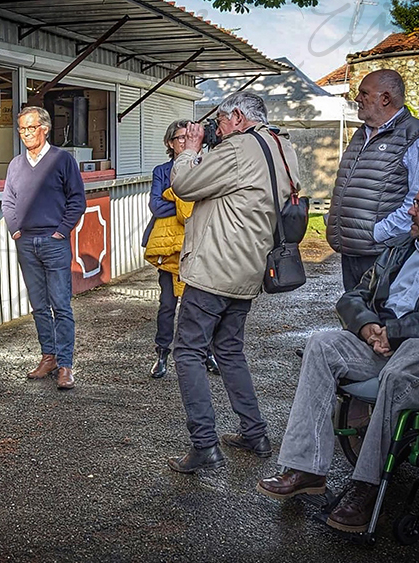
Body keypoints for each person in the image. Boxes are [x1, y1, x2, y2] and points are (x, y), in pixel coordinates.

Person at [257, 178, 419, 533]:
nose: (411, 211)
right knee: (322, 343)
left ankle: (365, 487)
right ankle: (306, 468)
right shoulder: (401, 249)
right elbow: (353, 296)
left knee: (408, 359)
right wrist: (368, 326)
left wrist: (404, 330)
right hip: (387, 343)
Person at [167, 92, 300, 473]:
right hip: (249, 267)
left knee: (188, 351)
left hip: (214, 268)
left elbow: (185, 185)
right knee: (228, 349)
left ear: (238, 117)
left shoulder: (240, 147)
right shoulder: (282, 146)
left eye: (222, 123)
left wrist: (189, 149)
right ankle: (254, 432)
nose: (218, 131)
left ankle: (204, 446)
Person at [326, 69, 419, 291]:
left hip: (385, 252)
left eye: (364, 93)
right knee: (354, 315)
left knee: (380, 318)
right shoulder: (361, 134)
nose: (357, 99)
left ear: (385, 99)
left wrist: (378, 232)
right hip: (352, 248)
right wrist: (335, 219)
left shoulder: (416, 135)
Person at [1, 106, 86, 390]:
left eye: (30, 128)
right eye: (22, 129)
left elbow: (77, 200)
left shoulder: (62, 159)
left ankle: (65, 365)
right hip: (26, 243)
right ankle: (47, 357)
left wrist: (61, 232)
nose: (25, 133)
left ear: (44, 128)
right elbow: (8, 202)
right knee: (39, 306)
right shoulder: (15, 164)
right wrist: (15, 231)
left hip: (54, 242)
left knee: (61, 305)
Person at [142, 119, 219, 379]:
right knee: (167, 304)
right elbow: (156, 207)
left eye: (190, 137)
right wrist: (186, 204)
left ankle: (206, 352)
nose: (185, 142)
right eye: (180, 138)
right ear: (170, 143)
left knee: (200, 304)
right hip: (169, 247)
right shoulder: (162, 171)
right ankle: (162, 352)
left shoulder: (206, 167)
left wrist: (175, 196)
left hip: (199, 246)